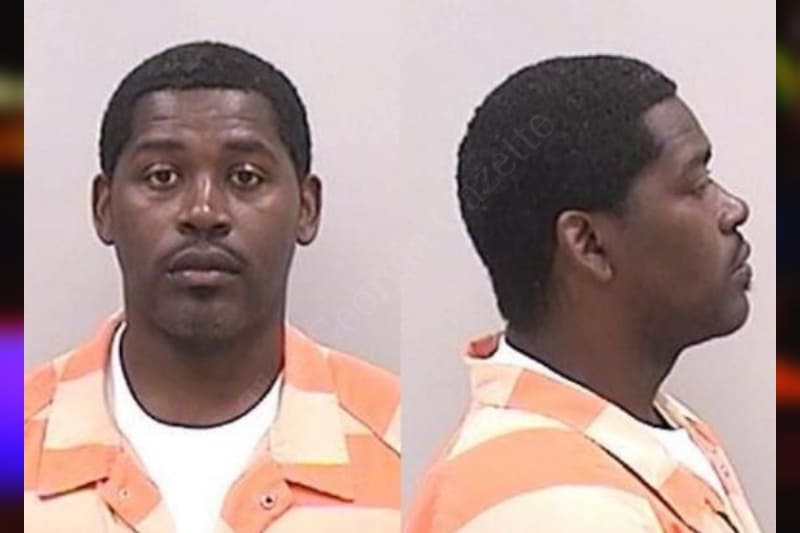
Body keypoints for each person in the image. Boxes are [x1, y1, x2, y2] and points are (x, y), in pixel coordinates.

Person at [24, 41, 400, 533]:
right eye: (162, 176)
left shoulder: (398, 443)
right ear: (105, 207)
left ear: (306, 208)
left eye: (245, 177)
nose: (204, 212)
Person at [406, 55, 761, 532]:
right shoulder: (547, 506)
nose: (734, 209)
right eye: (695, 185)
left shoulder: (653, 430)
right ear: (589, 244)